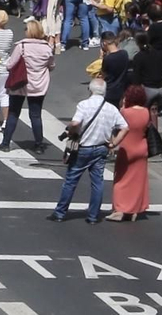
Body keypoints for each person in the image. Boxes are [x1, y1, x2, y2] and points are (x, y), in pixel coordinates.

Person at [48, 78, 128, 224]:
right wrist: (114, 143)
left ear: (90, 90)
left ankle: (60, 213)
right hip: (101, 148)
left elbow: (75, 123)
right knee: (97, 183)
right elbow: (125, 127)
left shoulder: (84, 105)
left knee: (71, 181)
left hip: (83, 149)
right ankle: (92, 216)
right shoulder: (111, 108)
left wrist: (72, 131)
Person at [0, 18, 55, 152]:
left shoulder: (21, 46)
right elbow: (51, 65)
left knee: (13, 113)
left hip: (20, 84)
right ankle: (39, 145)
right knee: (35, 115)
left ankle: (5, 143)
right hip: (38, 85)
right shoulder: (47, 48)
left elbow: (10, 65)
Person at [108, 85, 152, 221]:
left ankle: (120, 209)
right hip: (142, 148)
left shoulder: (125, 112)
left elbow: (117, 127)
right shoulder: (146, 112)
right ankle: (134, 210)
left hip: (127, 148)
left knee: (121, 179)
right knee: (138, 180)